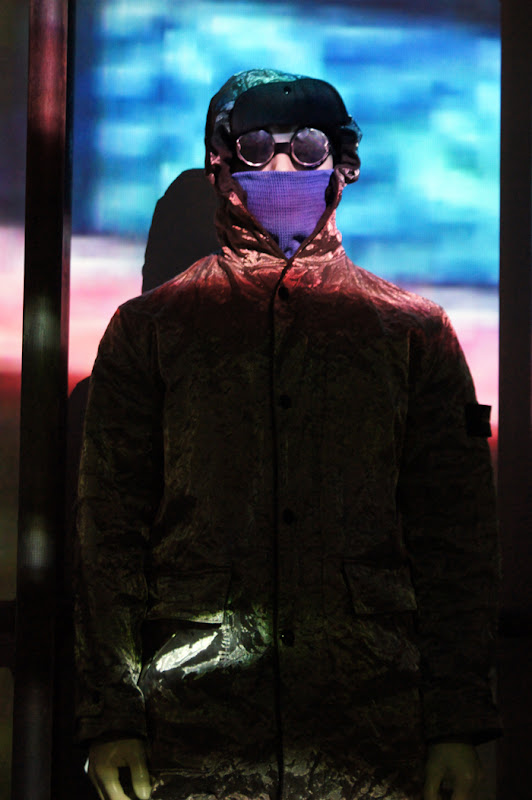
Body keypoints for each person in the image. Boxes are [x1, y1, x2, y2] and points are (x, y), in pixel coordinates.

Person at [74, 68, 501, 800]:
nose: (279, 168)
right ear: (221, 161)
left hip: (370, 733)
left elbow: (453, 535)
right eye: (255, 147)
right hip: (194, 728)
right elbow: (110, 532)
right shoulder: (152, 332)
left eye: (305, 148)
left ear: (341, 163)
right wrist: (113, 715)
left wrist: (455, 724)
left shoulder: (411, 333)